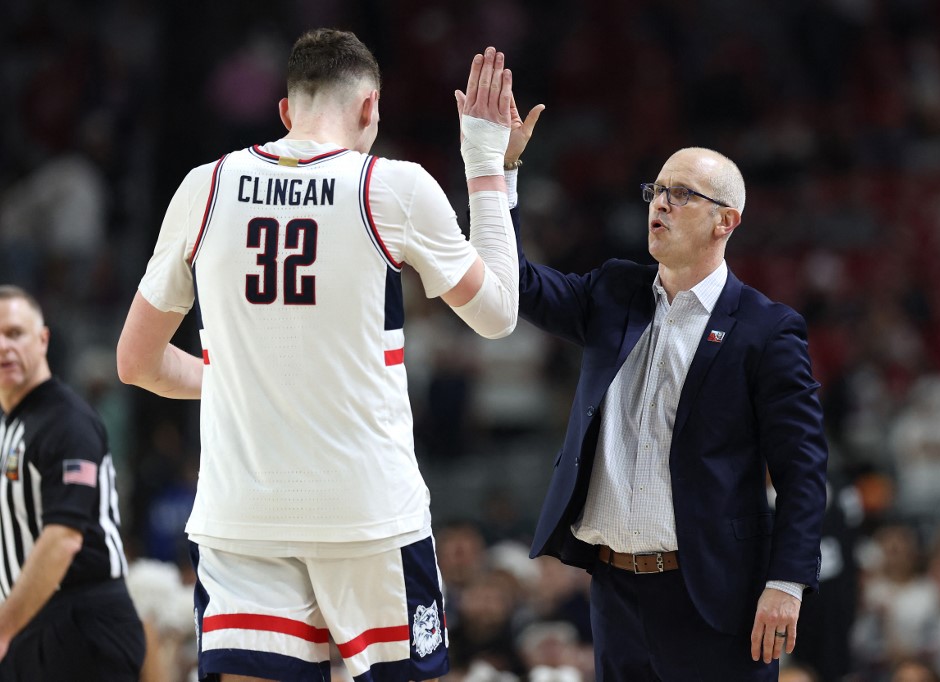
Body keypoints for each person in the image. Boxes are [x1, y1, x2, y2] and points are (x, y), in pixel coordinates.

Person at [117, 29, 522, 682]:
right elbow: (499, 313)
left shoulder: (204, 186)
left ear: (285, 110)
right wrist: (485, 161)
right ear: (369, 108)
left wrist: (242, 379)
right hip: (369, 514)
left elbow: (137, 362)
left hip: (242, 516)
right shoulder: (390, 186)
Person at [502, 116, 830, 679]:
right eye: (656, 190)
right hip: (614, 593)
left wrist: (787, 581)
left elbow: (802, 469)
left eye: (681, 193)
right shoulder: (614, 291)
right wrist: (501, 169)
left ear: (725, 220)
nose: (659, 203)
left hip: (714, 595)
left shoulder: (766, 329)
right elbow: (516, 282)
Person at [0, 285, 144, 680]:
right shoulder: (13, 424)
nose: (3, 347)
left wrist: (2, 630)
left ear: (43, 340)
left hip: (82, 625)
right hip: (32, 624)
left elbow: (64, 538)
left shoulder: (65, 421)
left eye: (15, 333)